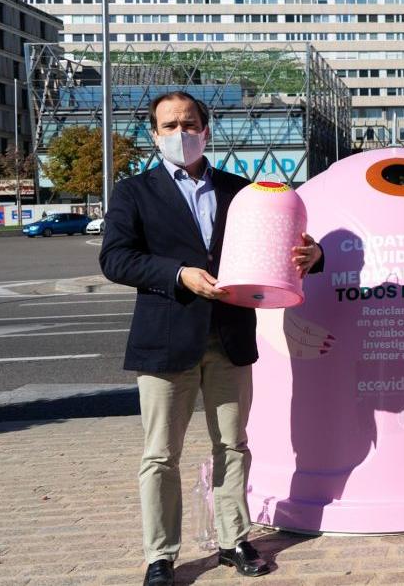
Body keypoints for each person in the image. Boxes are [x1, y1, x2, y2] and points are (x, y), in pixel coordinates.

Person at [100, 91, 324, 586]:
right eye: (169, 125)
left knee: (234, 445)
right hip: (165, 341)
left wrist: (315, 255)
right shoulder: (134, 192)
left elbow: (285, 245)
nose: (181, 132)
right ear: (154, 133)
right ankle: (160, 555)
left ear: (207, 127)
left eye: (189, 122)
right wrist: (178, 274)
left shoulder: (242, 191)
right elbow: (115, 259)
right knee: (160, 455)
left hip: (229, 336)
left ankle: (234, 539)